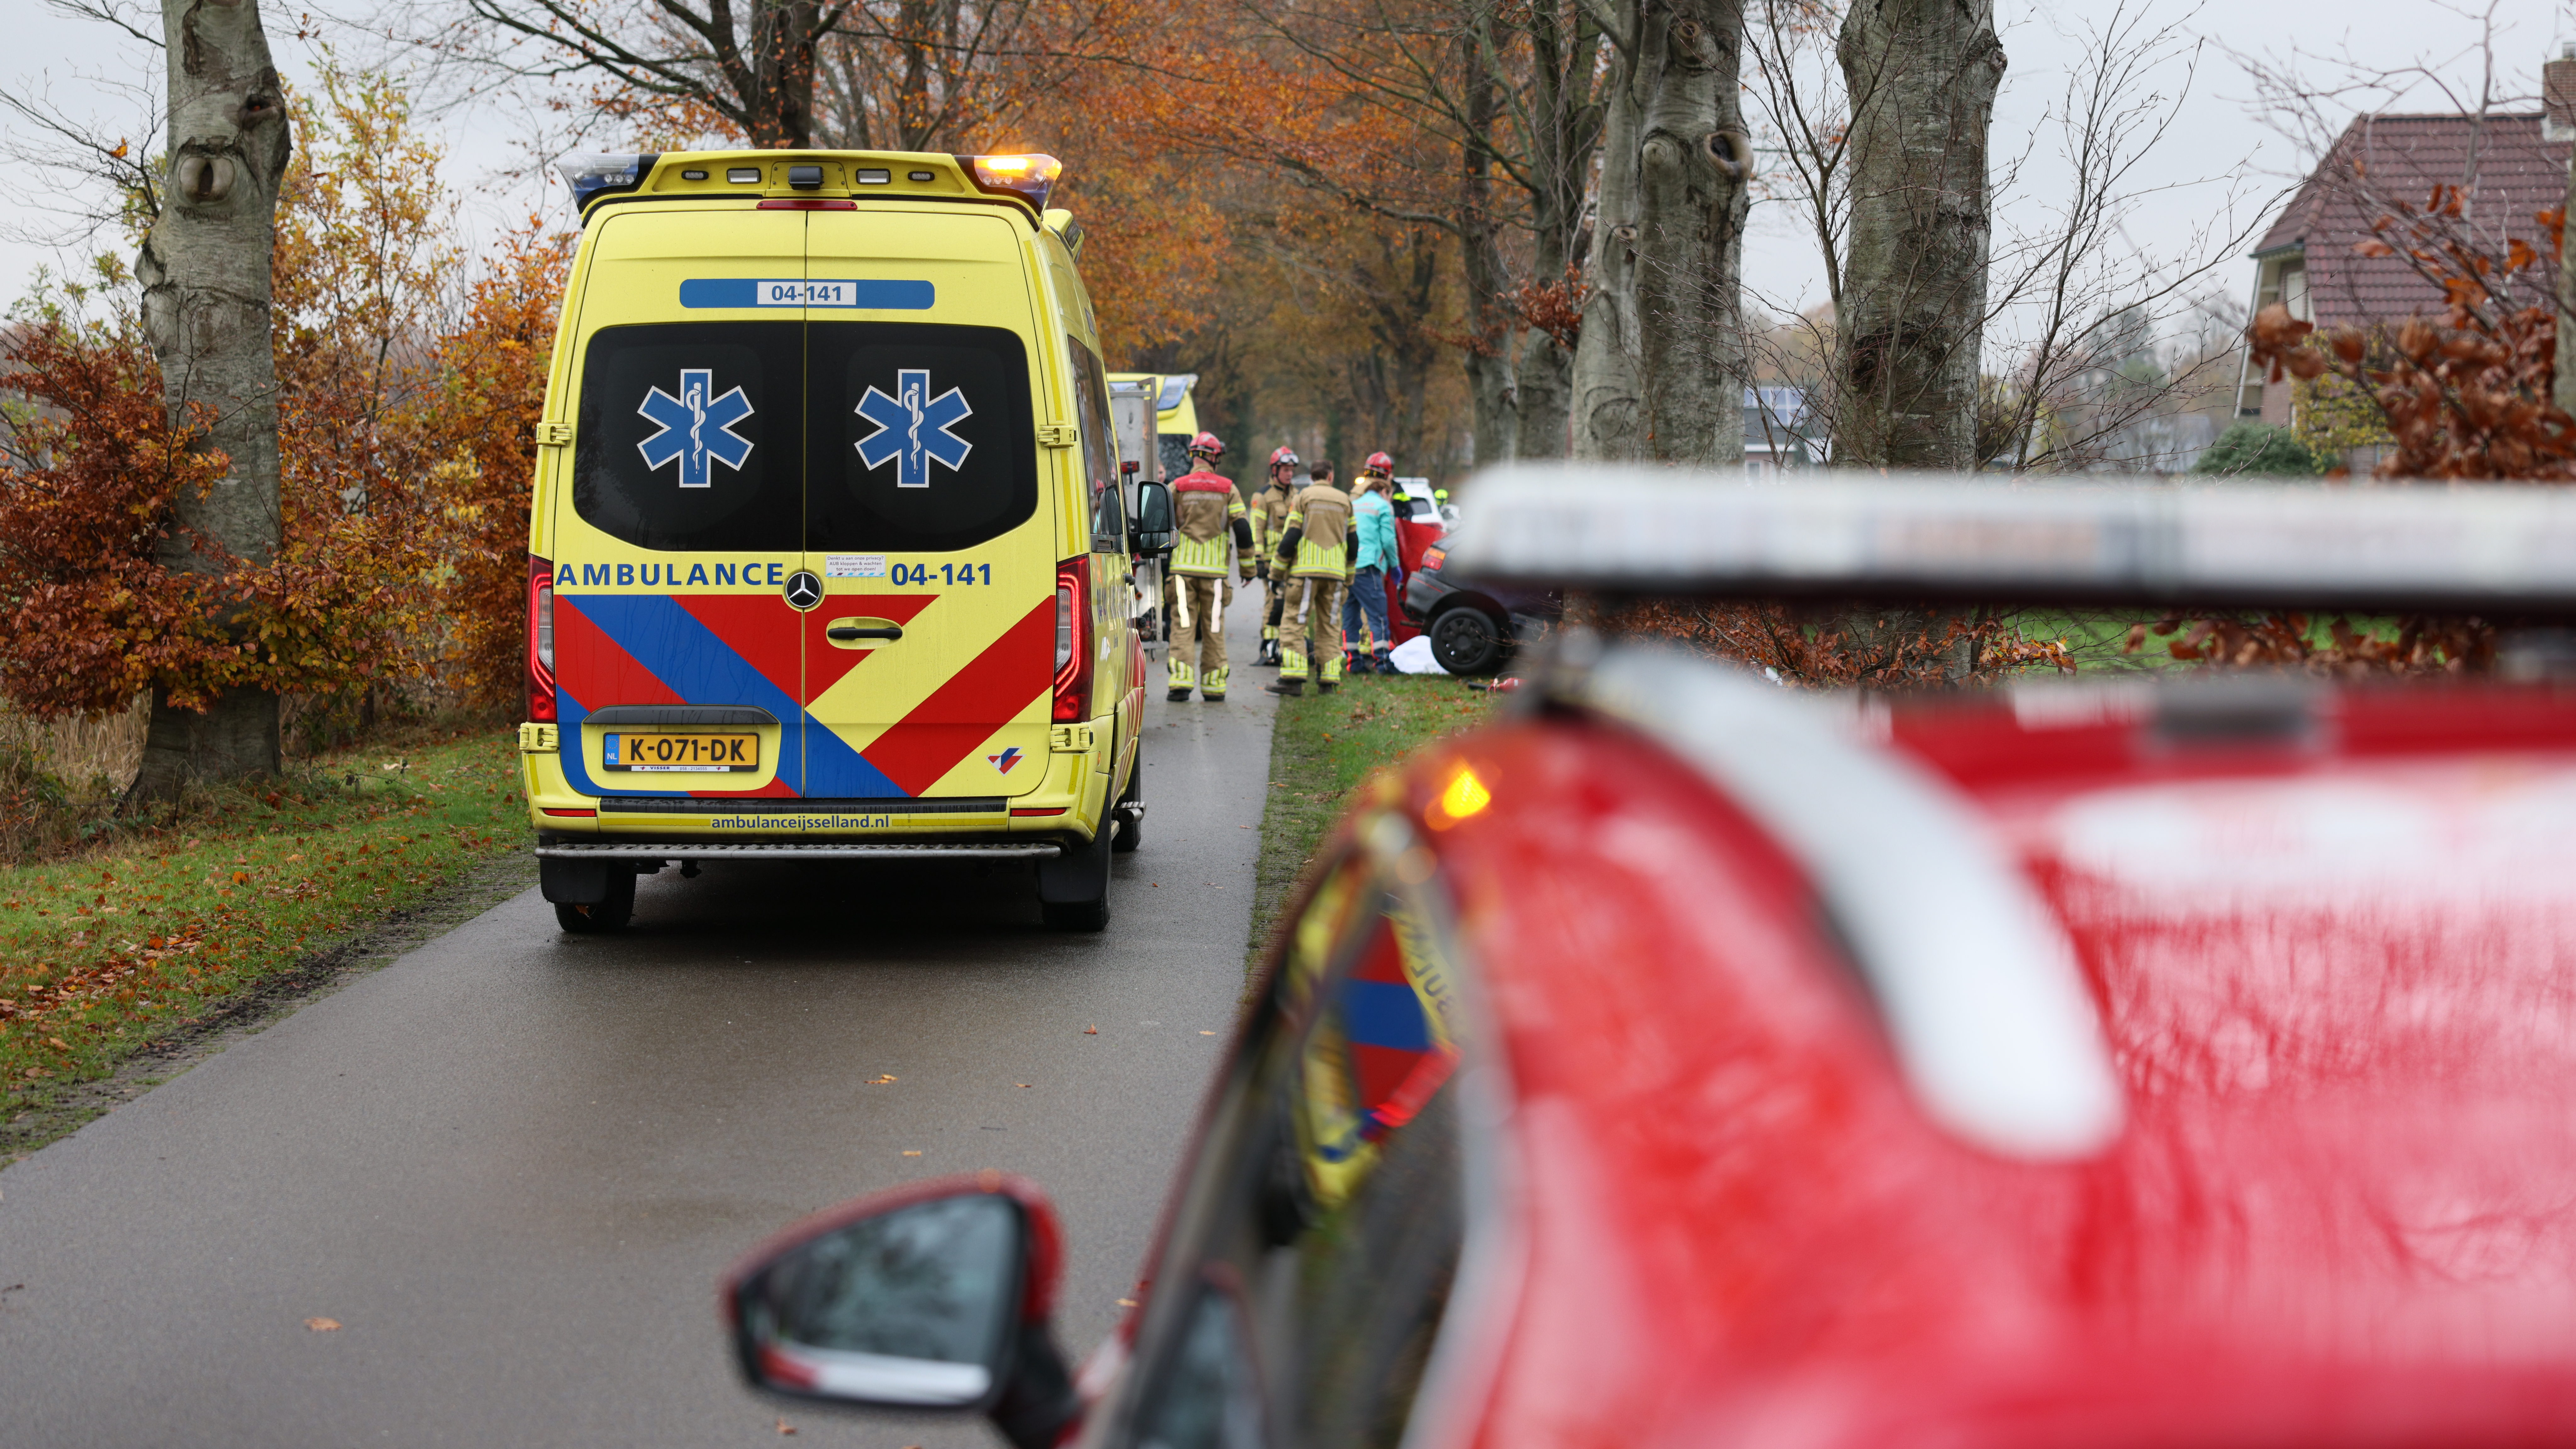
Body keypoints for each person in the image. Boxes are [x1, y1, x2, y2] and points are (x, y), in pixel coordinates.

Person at [1165, 432, 1255, 703]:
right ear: (1212, 457)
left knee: (1183, 624)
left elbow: (1161, 522)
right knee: (1214, 626)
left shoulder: (1177, 486)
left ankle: (1180, 684)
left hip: (1182, 573)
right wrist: (1249, 568)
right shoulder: (1228, 488)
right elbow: (1242, 527)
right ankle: (1214, 687)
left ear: (1194, 456)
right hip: (1215, 576)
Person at [1265, 460, 1355, 697]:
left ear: (1313, 477)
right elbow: (1353, 542)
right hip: (1335, 575)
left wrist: (1275, 573)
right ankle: (1328, 680)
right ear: (1331, 476)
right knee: (1330, 625)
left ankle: (1293, 680)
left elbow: (1291, 536)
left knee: (1295, 623)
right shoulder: (1345, 500)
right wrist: (1349, 575)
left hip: (1304, 574)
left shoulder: (1303, 497)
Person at [1342, 452, 1400, 675]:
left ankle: (1354, 663)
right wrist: (1394, 566)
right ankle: (1384, 663)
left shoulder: (1354, 503)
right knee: (1378, 616)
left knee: (1350, 617)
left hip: (1349, 567)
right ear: (1384, 489)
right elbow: (1387, 540)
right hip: (1368, 568)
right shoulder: (1383, 506)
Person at [1251, 447, 1299, 666]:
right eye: (1285, 469)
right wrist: (1259, 558)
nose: (1289, 474)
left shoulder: (1297, 495)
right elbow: (1257, 530)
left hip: (1294, 561)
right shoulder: (1262, 496)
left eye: (1292, 470)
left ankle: (1289, 645)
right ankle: (1269, 646)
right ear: (1275, 470)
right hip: (1271, 561)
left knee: (1293, 602)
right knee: (1274, 603)